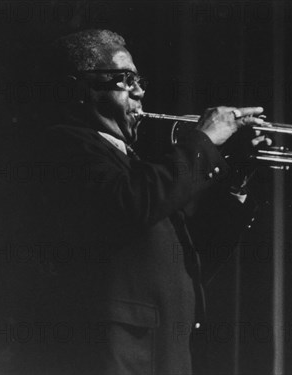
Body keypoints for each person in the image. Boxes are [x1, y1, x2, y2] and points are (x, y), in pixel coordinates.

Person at [30, 29, 267, 375]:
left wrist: (236, 182)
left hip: (160, 356)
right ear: (76, 89)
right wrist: (203, 141)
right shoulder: (65, 146)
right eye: (125, 80)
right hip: (117, 358)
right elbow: (131, 202)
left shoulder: (134, 167)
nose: (140, 92)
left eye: (139, 80)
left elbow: (195, 260)